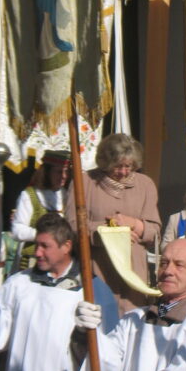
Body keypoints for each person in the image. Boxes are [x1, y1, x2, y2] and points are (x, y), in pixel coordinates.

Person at [0, 213, 117, 371]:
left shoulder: (94, 291)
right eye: (36, 245)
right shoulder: (18, 284)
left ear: (66, 246)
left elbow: (108, 352)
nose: (37, 253)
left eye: (44, 246)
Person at [73, 238, 186, 371]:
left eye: (179, 265)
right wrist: (85, 334)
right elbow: (104, 364)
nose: (168, 271)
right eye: (164, 263)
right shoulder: (134, 320)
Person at [65, 133, 162, 315]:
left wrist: (132, 223)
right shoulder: (85, 182)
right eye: (118, 166)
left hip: (134, 276)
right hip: (97, 271)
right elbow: (72, 226)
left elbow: (154, 231)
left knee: (132, 328)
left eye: (129, 166)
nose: (124, 172)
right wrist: (111, 232)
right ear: (105, 162)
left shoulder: (145, 184)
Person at [11, 149, 71, 270]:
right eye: (59, 172)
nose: (64, 176)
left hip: (59, 262)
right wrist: (46, 236)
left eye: (66, 172)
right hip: (35, 260)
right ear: (47, 172)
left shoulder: (67, 196)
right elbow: (17, 230)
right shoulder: (29, 195)